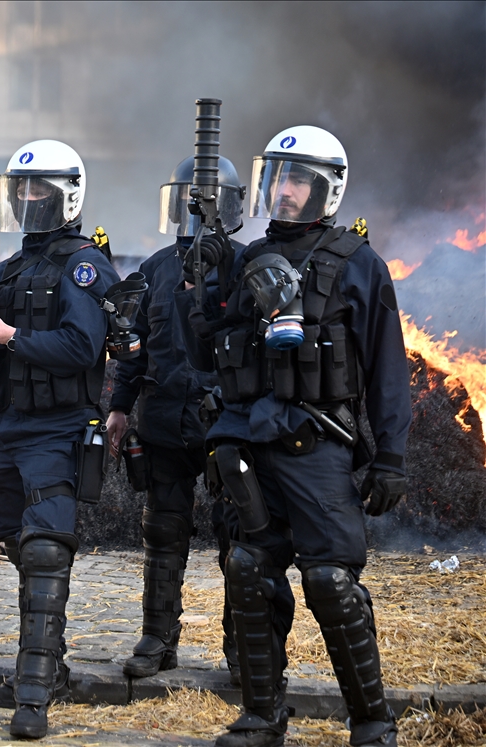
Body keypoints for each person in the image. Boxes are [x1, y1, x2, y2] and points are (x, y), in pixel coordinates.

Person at [183, 126, 409, 747]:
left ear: (327, 189)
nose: (284, 191)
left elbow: (389, 368)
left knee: (331, 583)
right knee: (250, 569)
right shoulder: (246, 256)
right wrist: (198, 288)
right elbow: (206, 352)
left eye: (298, 179)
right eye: (278, 178)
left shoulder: (357, 264)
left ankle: (372, 722)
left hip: (317, 442)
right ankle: (263, 716)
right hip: (248, 447)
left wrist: (390, 457)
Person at [0, 140, 121, 739]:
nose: (28, 200)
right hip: (12, 425)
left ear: (67, 197)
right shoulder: (9, 268)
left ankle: (33, 697)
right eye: (20, 190)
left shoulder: (85, 264)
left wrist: (7, 336)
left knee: (48, 548)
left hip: (59, 427)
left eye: (40, 191)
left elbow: (84, 348)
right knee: (14, 539)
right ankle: (49, 669)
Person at [108, 156, 246, 683]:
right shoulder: (156, 269)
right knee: (163, 531)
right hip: (164, 419)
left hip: (227, 425)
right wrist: (120, 407)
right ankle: (158, 637)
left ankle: (243, 647)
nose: (194, 211)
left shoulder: (245, 266)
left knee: (239, 536)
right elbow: (135, 349)